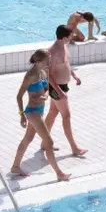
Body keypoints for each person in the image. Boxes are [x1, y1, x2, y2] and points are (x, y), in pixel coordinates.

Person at [8, 49, 71, 181]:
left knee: (27, 139)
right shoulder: (30, 76)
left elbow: (46, 89)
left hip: (40, 110)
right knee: (49, 142)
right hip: (32, 112)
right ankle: (59, 173)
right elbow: (19, 96)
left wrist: (44, 96)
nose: (49, 63)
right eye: (47, 60)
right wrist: (21, 115)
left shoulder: (44, 72)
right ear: (38, 61)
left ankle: (15, 167)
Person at [42, 25, 87, 157]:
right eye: (71, 35)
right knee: (66, 116)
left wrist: (74, 75)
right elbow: (48, 74)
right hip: (56, 87)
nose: (73, 36)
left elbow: (66, 64)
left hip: (62, 86)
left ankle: (44, 143)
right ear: (64, 37)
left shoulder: (64, 46)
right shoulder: (52, 52)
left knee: (53, 112)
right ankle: (74, 148)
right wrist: (59, 91)